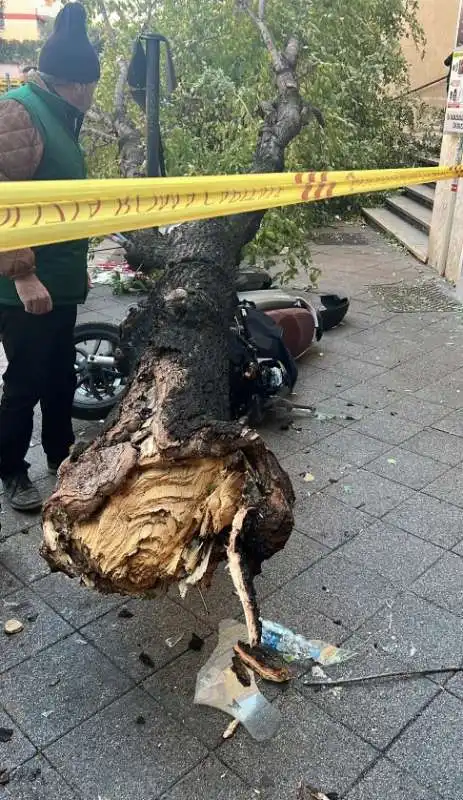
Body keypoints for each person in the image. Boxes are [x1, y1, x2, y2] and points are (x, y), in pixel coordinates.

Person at [0, 2, 100, 511]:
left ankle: (62, 457)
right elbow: (0, 197)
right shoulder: (18, 110)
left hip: (59, 281)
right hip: (26, 286)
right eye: (93, 87)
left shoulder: (60, 116)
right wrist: (23, 275)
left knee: (61, 375)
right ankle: (11, 470)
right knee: (26, 382)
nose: (93, 96)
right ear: (78, 84)